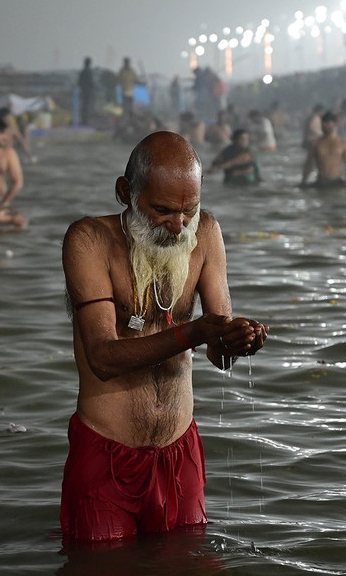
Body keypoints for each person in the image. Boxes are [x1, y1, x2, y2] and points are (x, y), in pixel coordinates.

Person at [59, 130, 268, 542]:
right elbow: (102, 358)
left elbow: (217, 349)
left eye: (189, 210)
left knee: (188, 563)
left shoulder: (205, 233)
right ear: (125, 192)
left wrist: (240, 341)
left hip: (179, 448)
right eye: (162, 210)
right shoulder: (89, 241)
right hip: (106, 452)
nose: (178, 225)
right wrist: (194, 332)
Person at [301, 112, 346, 187]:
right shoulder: (315, 144)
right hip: (321, 182)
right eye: (323, 123)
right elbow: (308, 164)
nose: (324, 125)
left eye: (327, 122)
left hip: (337, 181)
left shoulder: (343, 144)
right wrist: (303, 182)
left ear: (335, 124)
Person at [78, 57, 96, 126]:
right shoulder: (88, 72)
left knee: (84, 107)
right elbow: (91, 82)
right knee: (86, 107)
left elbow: (79, 82)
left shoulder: (82, 72)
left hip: (83, 91)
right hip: (87, 91)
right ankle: (85, 121)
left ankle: (84, 120)